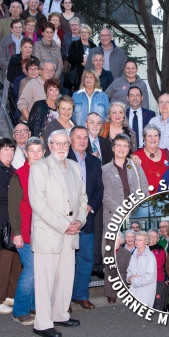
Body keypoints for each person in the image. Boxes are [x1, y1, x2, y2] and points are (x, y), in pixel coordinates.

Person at [29, 130, 88, 337]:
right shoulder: (39, 168)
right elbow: (38, 203)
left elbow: (82, 197)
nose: (61, 147)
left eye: (65, 144)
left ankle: (60, 314)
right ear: (49, 146)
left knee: (65, 276)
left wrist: (80, 220)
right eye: (57, 144)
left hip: (71, 232)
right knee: (45, 280)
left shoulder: (73, 166)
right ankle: (42, 323)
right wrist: (65, 225)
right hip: (50, 232)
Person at [102, 134, 149, 292]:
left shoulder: (136, 166)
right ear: (113, 148)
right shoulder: (104, 170)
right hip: (113, 216)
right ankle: (111, 291)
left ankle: (134, 287)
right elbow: (104, 195)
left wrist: (135, 208)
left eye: (125, 146)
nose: (121, 149)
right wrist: (121, 211)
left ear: (129, 149)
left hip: (135, 214)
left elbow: (144, 188)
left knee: (137, 250)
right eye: (118, 145)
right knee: (112, 254)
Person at [8, 137, 46, 325]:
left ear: (44, 153)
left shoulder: (47, 173)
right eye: (32, 151)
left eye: (39, 151)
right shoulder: (20, 175)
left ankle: (32, 306)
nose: (36, 154)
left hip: (44, 232)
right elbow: (13, 208)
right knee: (30, 270)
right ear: (25, 152)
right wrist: (17, 233)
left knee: (38, 271)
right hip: (25, 232)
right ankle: (20, 311)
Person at [68, 127, 104, 309]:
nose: (82, 140)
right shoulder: (63, 158)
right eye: (78, 137)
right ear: (70, 139)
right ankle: (63, 299)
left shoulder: (94, 161)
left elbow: (99, 189)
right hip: (66, 218)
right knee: (66, 260)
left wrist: (89, 207)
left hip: (87, 217)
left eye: (85, 137)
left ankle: (81, 295)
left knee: (86, 258)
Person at [0, 138, 22, 314]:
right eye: (5, 149)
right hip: (1, 222)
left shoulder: (12, 170)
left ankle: (9, 295)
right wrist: (20, 197)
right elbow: (2, 194)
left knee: (15, 261)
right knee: (2, 261)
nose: (9, 152)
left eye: (11, 150)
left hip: (13, 220)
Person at [85, 112, 113, 279]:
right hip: (88, 191)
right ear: (86, 123)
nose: (95, 126)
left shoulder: (105, 143)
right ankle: (87, 267)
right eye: (91, 122)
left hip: (103, 190)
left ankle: (98, 264)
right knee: (88, 230)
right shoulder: (81, 140)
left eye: (98, 123)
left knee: (100, 229)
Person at [132, 124, 169, 194]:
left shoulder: (167, 154)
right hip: (145, 200)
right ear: (144, 138)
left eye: (156, 135)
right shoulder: (136, 156)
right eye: (149, 136)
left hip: (167, 199)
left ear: (159, 138)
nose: (153, 138)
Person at [126, 231, 157, 307]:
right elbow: (129, 270)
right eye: (136, 239)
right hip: (134, 290)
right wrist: (129, 278)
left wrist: (133, 280)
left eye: (140, 240)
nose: (137, 242)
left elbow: (150, 277)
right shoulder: (135, 253)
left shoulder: (150, 256)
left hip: (145, 292)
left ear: (146, 241)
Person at [104, 232, 131, 303]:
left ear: (121, 241)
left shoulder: (126, 253)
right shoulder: (107, 252)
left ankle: (117, 293)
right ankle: (110, 294)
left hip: (121, 275)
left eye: (117, 240)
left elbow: (128, 268)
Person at [68, 25, 97, 92]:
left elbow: (96, 59)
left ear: (89, 34)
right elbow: (70, 58)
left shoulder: (93, 46)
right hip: (78, 74)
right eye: (82, 32)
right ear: (79, 33)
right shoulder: (74, 44)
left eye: (86, 32)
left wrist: (88, 63)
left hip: (90, 73)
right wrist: (82, 59)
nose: (84, 34)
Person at [147, 229, 167, 310]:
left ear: (158, 239)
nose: (152, 238)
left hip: (157, 280)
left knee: (157, 304)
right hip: (145, 281)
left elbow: (158, 266)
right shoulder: (142, 248)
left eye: (155, 237)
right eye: (151, 236)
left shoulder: (160, 250)